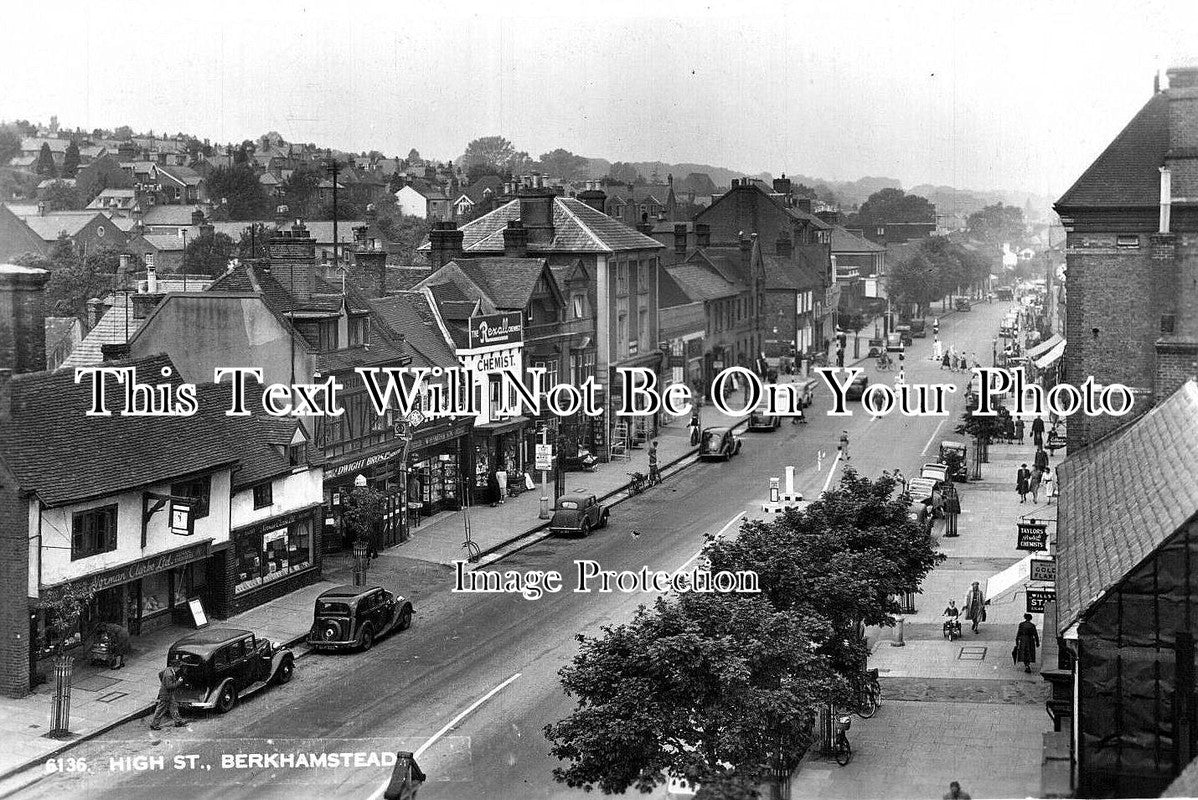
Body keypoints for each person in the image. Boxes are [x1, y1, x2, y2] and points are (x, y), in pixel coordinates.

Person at [150, 664, 186, 730]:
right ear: (175, 667)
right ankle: (154, 724)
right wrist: (179, 682)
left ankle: (178, 721)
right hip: (165, 695)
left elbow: (160, 674)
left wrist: (163, 682)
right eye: (178, 667)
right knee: (161, 709)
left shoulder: (168, 669)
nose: (179, 669)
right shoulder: (169, 675)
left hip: (169, 693)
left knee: (173, 707)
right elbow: (169, 686)